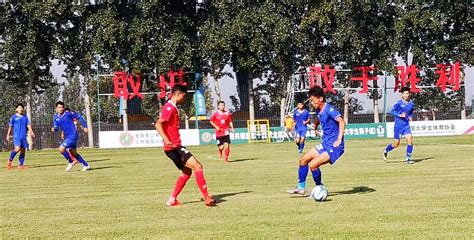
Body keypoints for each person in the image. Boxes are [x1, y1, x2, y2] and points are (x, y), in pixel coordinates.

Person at [155, 84, 216, 207]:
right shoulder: (169, 107)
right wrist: (167, 140)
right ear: (178, 94)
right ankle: (207, 197)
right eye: (184, 96)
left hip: (174, 147)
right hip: (174, 147)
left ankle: (172, 200)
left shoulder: (173, 107)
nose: (184, 98)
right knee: (198, 166)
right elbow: (158, 124)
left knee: (187, 172)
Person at [287, 86, 345, 195]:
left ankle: (320, 188)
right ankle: (300, 188)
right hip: (325, 143)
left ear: (321, 99)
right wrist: (315, 127)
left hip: (335, 146)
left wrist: (339, 139)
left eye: (313, 100)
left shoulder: (329, 109)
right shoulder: (319, 110)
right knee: (303, 160)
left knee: (313, 165)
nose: (311, 103)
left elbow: (342, 121)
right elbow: (319, 118)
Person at [51, 101, 90, 172]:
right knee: (73, 152)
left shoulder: (68, 114)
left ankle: (71, 161)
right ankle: (86, 165)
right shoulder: (55, 117)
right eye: (59, 107)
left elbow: (79, 117)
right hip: (67, 136)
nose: (60, 109)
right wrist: (54, 129)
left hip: (73, 135)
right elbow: (56, 127)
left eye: (62, 107)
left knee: (61, 149)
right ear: (56, 108)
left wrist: (85, 126)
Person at [383, 87, 415, 164]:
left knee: (410, 140)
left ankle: (408, 159)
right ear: (402, 95)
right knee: (396, 144)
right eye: (404, 93)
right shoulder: (399, 103)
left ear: (409, 94)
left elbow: (411, 112)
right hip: (398, 126)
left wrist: (410, 117)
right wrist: (399, 115)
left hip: (406, 125)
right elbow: (391, 111)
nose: (406, 95)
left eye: (407, 93)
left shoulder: (411, 104)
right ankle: (386, 150)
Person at [6, 103, 35, 170]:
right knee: (17, 148)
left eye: (22, 108)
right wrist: (8, 134)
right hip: (16, 136)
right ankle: (10, 160)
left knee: (23, 150)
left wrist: (32, 132)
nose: (21, 109)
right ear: (16, 109)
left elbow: (28, 125)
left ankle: (20, 165)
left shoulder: (25, 117)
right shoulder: (13, 117)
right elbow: (10, 126)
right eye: (19, 108)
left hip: (23, 136)